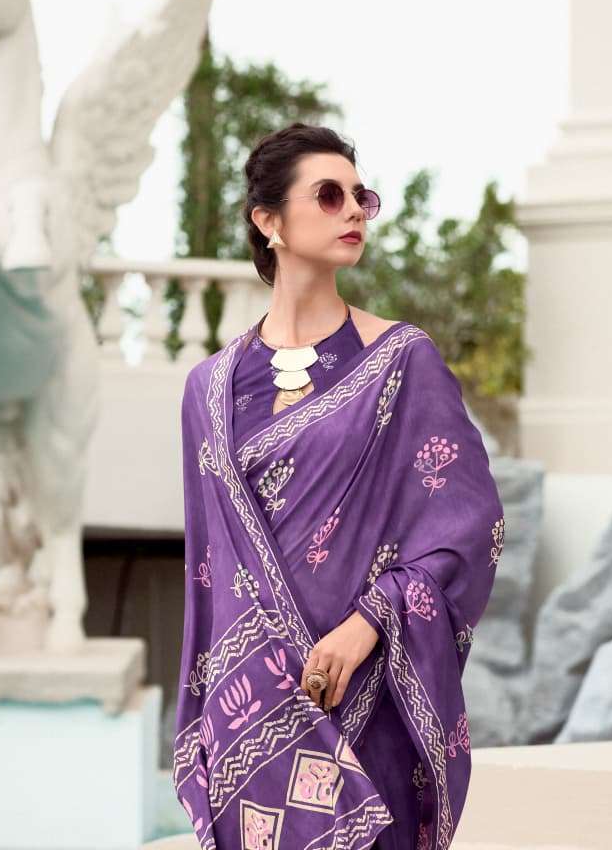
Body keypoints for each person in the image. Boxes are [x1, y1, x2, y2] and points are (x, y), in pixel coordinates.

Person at [173, 122, 504, 850]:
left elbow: (470, 525)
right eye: (328, 195)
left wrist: (369, 622)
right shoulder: (209, 389)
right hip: (251, 720)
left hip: (366, 701)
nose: (353, 210)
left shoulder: (402, 361)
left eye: (361, 196)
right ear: (269, 221)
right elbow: (209, 573)